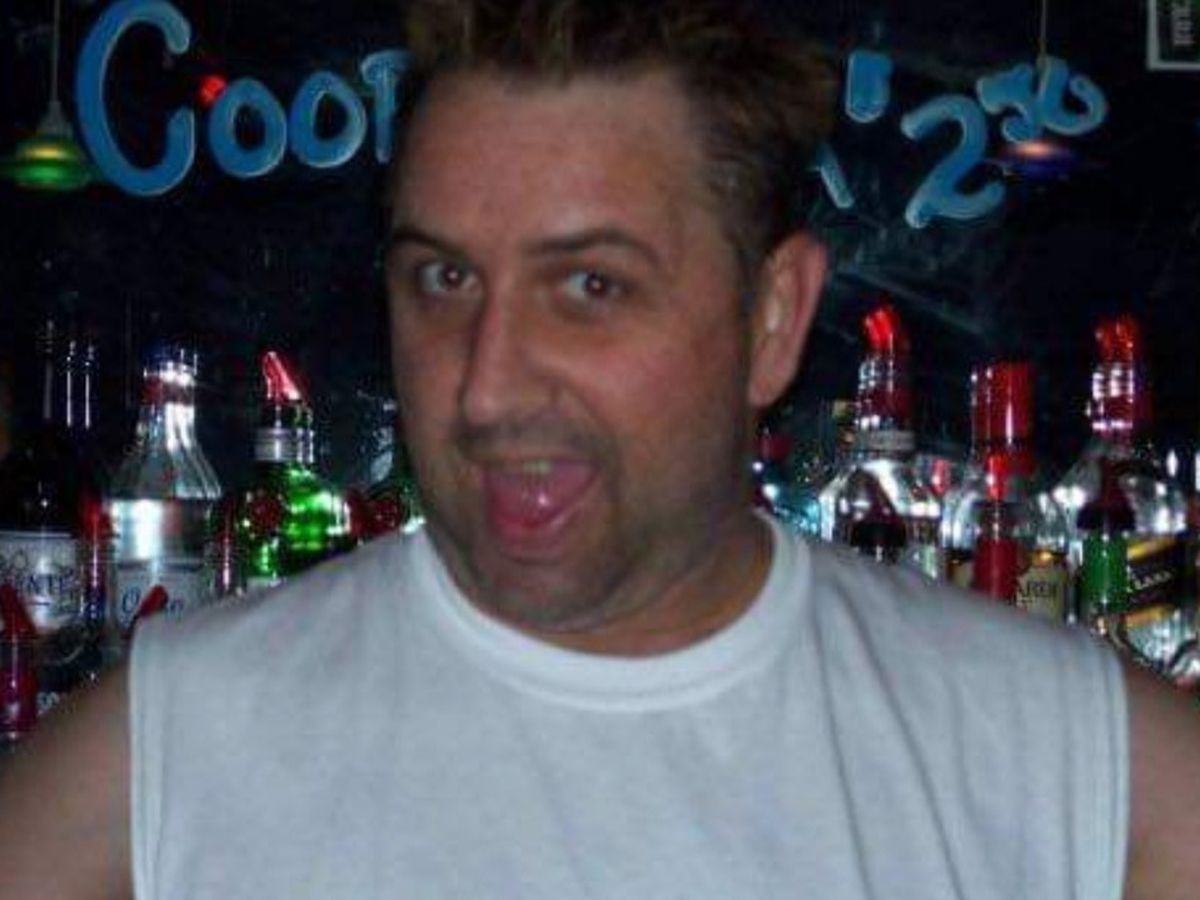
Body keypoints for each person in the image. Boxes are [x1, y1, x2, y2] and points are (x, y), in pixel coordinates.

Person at [2, 0, 1199, 897]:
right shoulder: (167, 751)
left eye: (590, 285)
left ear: (772, 318)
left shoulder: (1073, 766)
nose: (486, 385)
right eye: (444, 279)